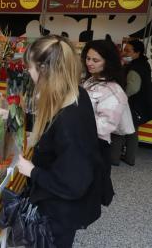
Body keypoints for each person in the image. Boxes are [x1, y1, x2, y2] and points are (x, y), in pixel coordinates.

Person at [17, 35, 104, 248]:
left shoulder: (68, 121)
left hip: (62, 209)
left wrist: (31, 171)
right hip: (64, 204)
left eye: (30, 67)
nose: (28, 72)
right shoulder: (75, 93)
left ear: (44, 70)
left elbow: (72, 184)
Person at [81, 40, 134, 168]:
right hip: (84, 142)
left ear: (108, 62)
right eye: (88, 58)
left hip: (96, 145)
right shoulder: (90, 80)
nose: (89, 63)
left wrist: (75, 119)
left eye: (95, 60)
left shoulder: (114, 90)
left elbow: (105, 126)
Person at [122, 39, 152, 165]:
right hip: (144, 104)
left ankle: (129, 158)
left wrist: (120, 97)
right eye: (124, 49)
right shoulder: (144, 64)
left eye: (128, 51)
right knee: (132, 129)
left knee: (130, 130)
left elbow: (132, 88)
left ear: (137, 52)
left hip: (137, 105)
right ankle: (129, 156)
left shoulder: (135, 67)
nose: (124, 53)